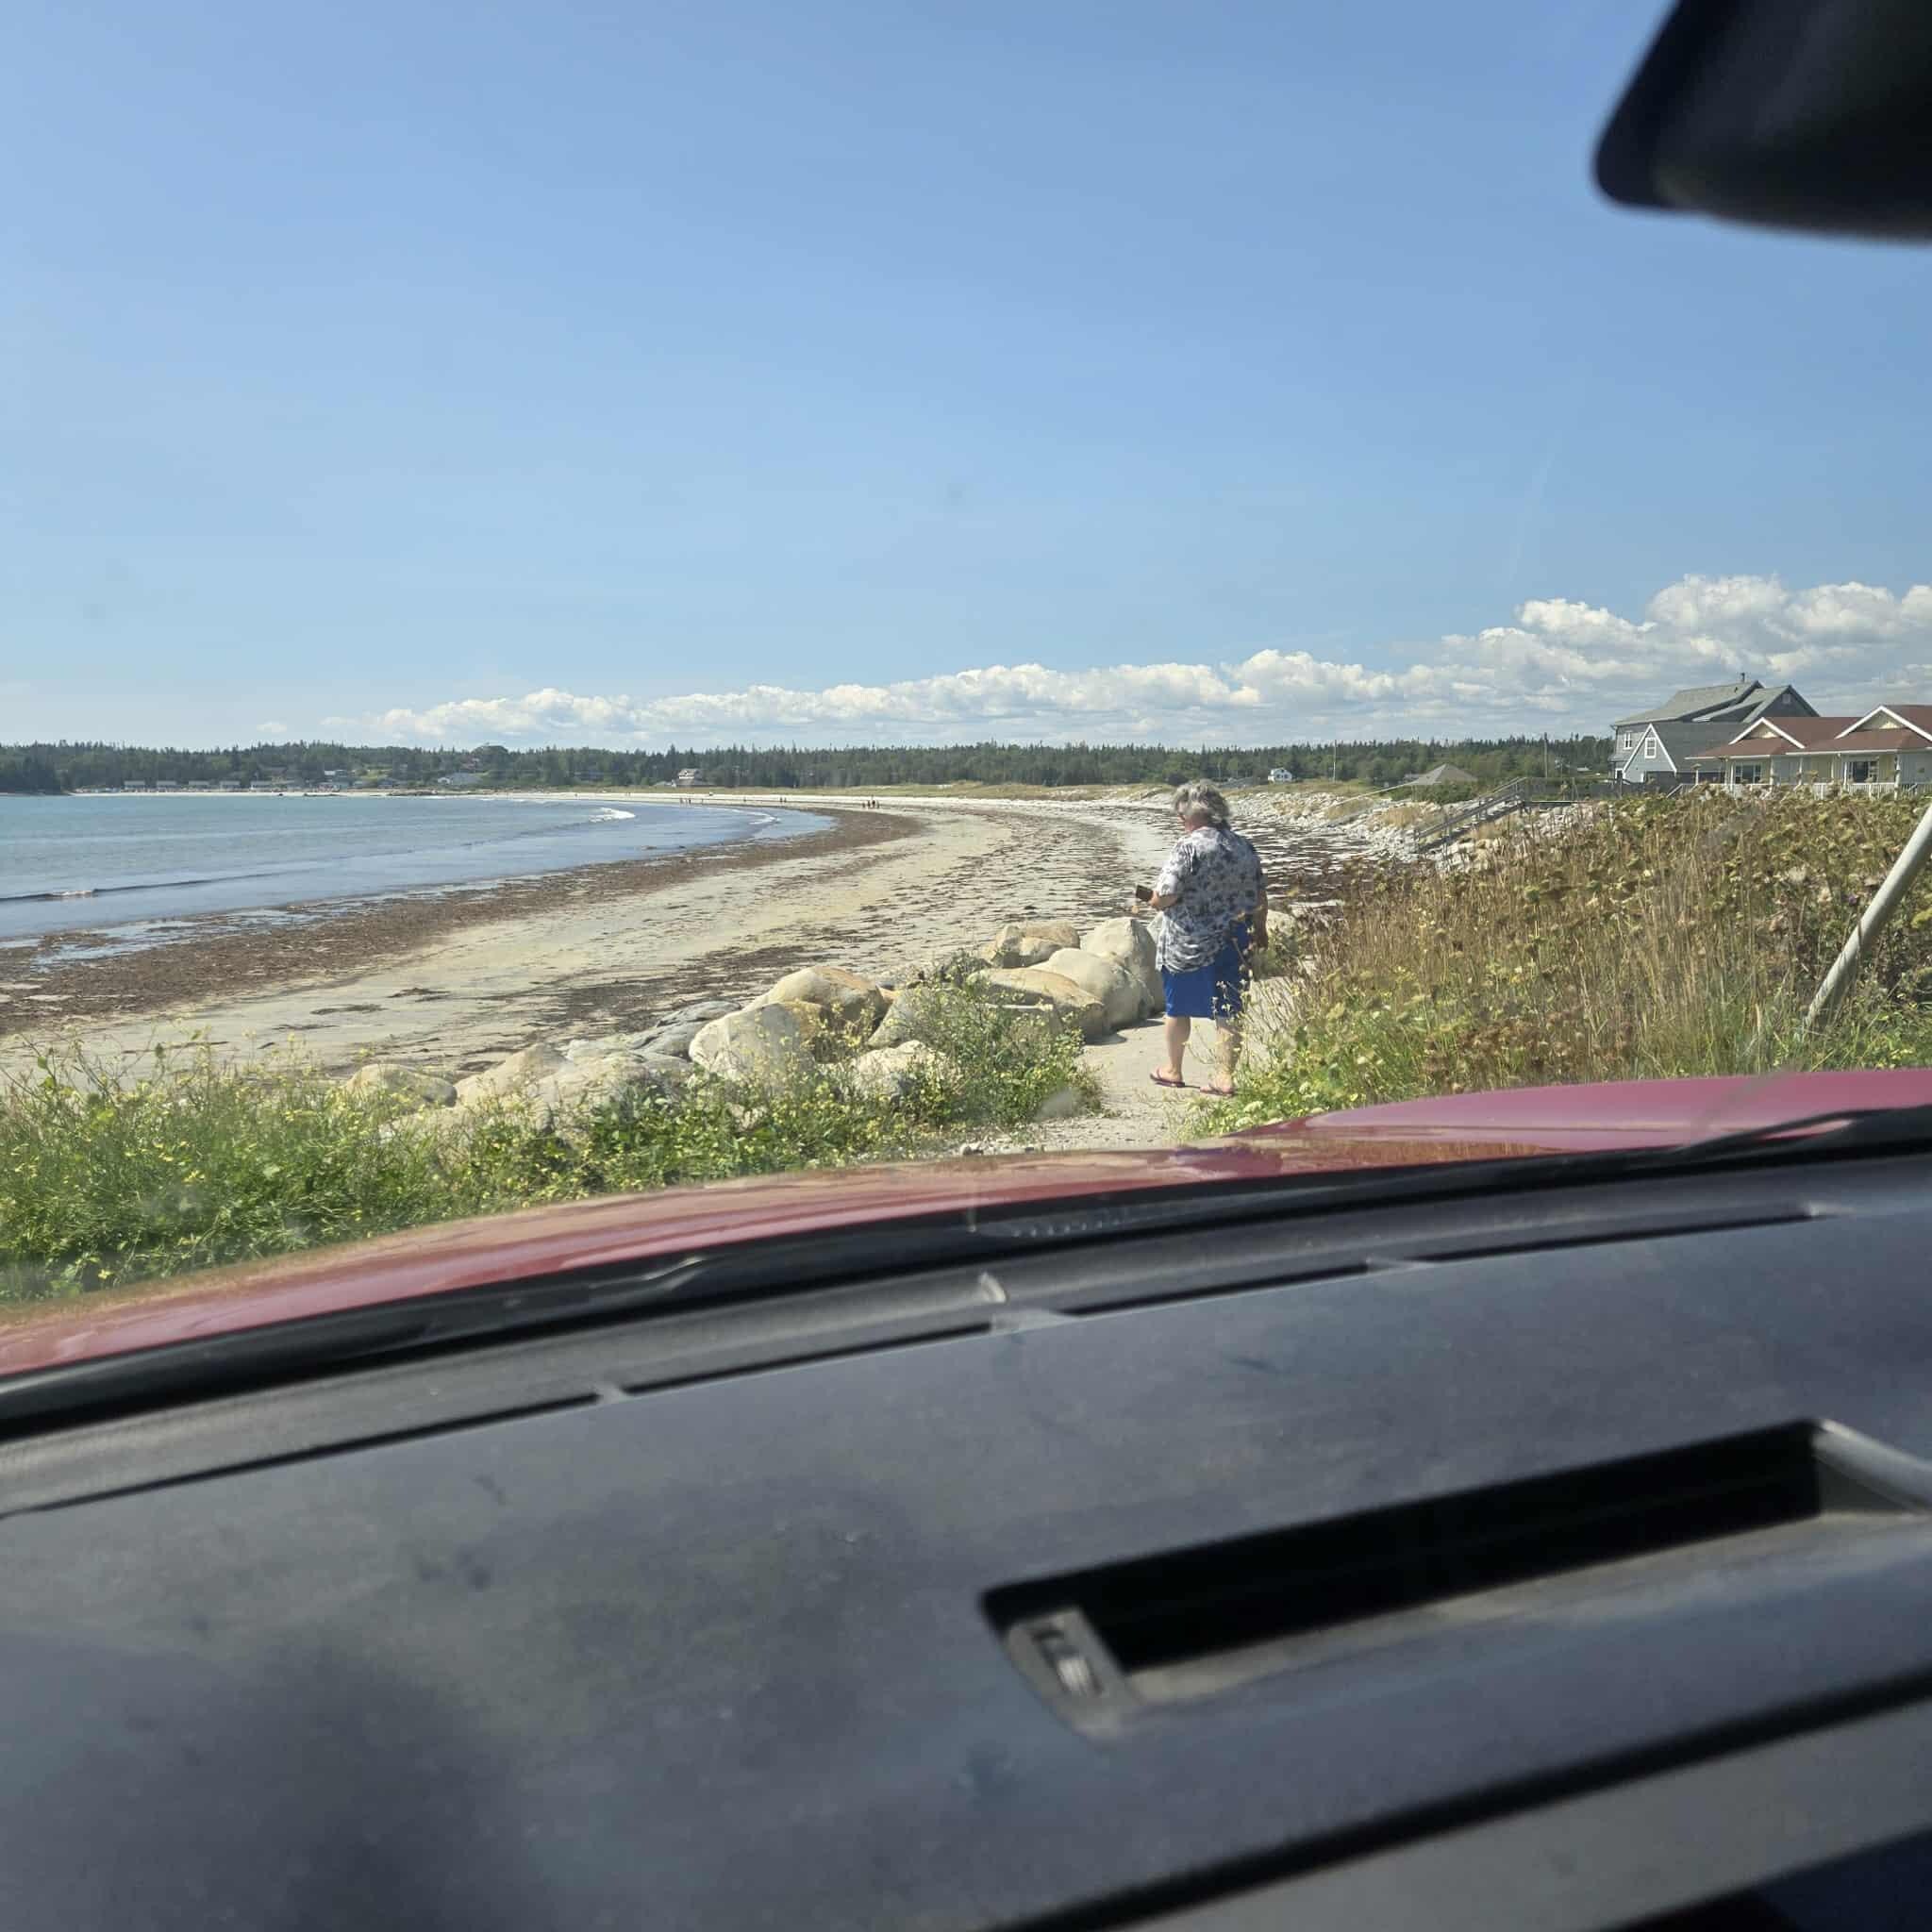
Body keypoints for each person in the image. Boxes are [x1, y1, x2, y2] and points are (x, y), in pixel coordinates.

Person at [1133, 781, 1267, 1093]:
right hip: (1236, 938)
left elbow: (1164, 896)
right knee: (1230, 1008)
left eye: (1181, 816)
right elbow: (1260, 894)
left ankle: (1173, 1069)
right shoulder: (1243, 846)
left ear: (1191, 817)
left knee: (1177, 1008)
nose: (1180, 821)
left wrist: (1151, 899)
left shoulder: (1189, 847)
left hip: (1189, 943)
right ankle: (1224, 1076)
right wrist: (1261, 929)